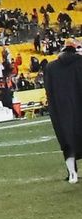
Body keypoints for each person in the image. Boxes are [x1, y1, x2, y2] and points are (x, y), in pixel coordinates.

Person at [43, 37, 82, 184]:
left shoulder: (51, 67)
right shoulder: (80, 63)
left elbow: (49, 91)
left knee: (67, 142)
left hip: (62, 110)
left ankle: (72, 174)